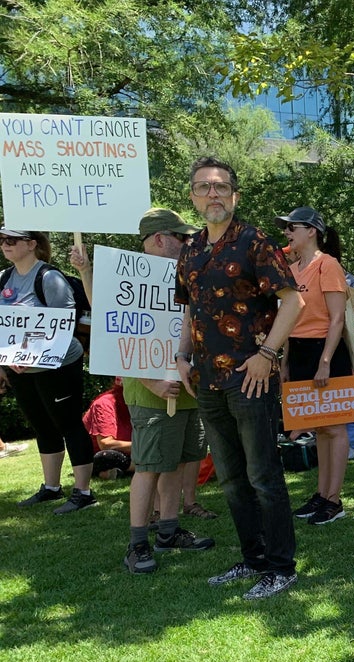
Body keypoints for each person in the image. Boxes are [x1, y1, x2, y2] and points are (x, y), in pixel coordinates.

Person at [175, 157, 303, 599]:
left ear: (235, 195)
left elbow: (293, 303)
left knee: (264, 476)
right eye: (204, 187)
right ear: (192, 196)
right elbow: (190, 309)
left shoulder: (254, 242)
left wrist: (268, 354)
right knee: (230, 478)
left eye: (221, 187)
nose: (213, 194)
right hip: (206, 379)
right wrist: (180, 356)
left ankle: (281, 567)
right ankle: (254, 559)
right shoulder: (190, 249)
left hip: (250, 376)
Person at [75, 208, 218, 572]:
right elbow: (115, 330)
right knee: (150, 468)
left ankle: (168, 532)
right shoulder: (129, 277)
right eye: (181, 237)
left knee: (176, 463)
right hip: (150, 395)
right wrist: (152, 381)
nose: (188, 243)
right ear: (159, 238)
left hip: (186, 390)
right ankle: (138, 543)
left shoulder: (185, 274)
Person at [1, 227, 96, 514]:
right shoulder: (3, 278)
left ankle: (83, 492)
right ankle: (51, 488)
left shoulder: (49, 277)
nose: (5, 245)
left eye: (11, 240)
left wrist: (33, 355)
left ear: (31, 244)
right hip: (20, 370)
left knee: (69, 424)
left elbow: (63, 324)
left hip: (59, 364)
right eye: (2, 240)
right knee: (41, 425)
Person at [279, 206, 354, 526]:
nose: (286, 233)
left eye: (291, 227)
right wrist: (283, 360)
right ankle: (322, 494)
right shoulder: (294, 268)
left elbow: (337, 319)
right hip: (298, 351)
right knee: (320, 426)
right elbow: (288, 317)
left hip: (326, 352)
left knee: (335, 428)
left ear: (311, 231)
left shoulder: (328, 265)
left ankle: (334, 500)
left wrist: (324, 363)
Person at [83, 378, 133, 479]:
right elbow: (105, 444)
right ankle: (138, 467)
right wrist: (142, 447)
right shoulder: (104, 404)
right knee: (106, 456)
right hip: (101, 455)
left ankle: (116, 471)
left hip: (131, 452)